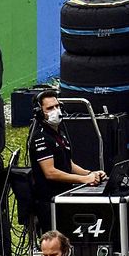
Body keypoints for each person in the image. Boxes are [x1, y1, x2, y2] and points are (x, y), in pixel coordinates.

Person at [29, 90, 105, 231]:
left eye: (57, 106)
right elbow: (50, 172)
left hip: (64, 197)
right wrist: (83, 180)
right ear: (39, 112)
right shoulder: (40, 137)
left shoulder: (60, 133)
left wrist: (90, 174)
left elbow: (67, 164)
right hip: (49, 201)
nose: (55, 111)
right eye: (50, 108)